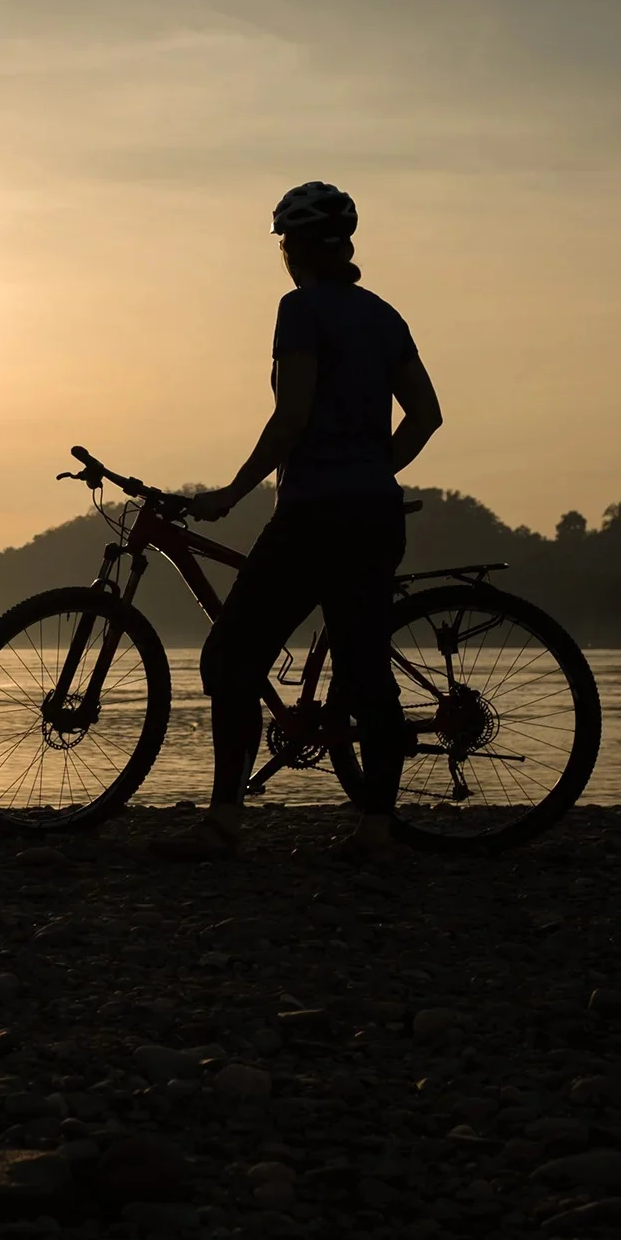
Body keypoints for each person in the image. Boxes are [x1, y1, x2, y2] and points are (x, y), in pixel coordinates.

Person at [159, 181, 442, 862]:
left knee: (232, 656)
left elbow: (292, 416)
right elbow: (427, 415)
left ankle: (225, 821)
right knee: (366, 669)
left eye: (284, 242)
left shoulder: (300, 310)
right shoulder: (384, 316)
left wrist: (231, 491)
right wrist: (377, 470)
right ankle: (377, 827)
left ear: (300, 247)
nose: (283, 254)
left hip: (316, 514)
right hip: (374, 514)